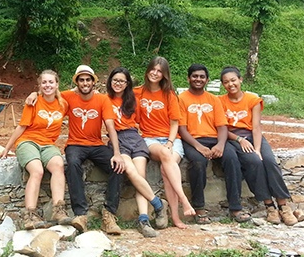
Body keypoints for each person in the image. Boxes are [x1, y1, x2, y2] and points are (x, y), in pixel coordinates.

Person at [26, 64, 125, 234]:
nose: (85, 83)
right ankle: (80, 215)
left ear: (93, 82)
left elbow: (110, 126)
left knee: (117, 167)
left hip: (96, 144)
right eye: (81, 80)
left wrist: (117, 153)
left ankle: (109, 215)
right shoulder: (67, 97)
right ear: (77, 82)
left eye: (88, 80)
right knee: (72, 163)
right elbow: (48, 93)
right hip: (75, 144)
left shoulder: (103, 100)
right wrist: (34, 93)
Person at [219, 66, 298, 226]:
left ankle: (283, 205)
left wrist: (257, 148)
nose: (230, 84)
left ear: (240, 80)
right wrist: (240, 139)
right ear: (223, 85)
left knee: (269, 161)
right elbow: (222, 128)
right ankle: (269, 206)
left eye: (233, 80)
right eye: (226, 82)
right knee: (254, 163)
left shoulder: (252, 100)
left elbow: (256, 127)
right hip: (233, 137)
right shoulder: (220, 101)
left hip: (253, 136)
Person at [178, 63, 252, 224]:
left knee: (232, 158)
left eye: (202, 77)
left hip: (214, 139)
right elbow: (182, 129)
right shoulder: (181, 99)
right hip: (192, 140)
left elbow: (222, 126)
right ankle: (199, 208)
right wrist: (198, 147)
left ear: (207, 80)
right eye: (195, 76)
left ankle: (235, 207)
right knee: (198, 162)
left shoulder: (213, 99)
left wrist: (219, 145)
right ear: (188, 78)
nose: (198, 79)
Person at [0, 70, 72, 230]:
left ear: (57, 84)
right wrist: (7, 147)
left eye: (51, 82)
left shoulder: (63, 104)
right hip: (28, 142)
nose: (48, 85)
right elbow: (22, 126)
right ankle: (30, 215)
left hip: (48, 144)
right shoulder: (33, 102)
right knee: (37, 170)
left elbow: (77, 93)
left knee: (58, 165)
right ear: (39, 86)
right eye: (44, 82)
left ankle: (58, 210)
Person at [133, 57, 196, 229]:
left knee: (166, 169)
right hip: (149, 138)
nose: (155, 73)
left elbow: (175, 122)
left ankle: (175, 217)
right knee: (164, 155)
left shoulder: (169, 95)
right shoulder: (137, 92)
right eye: (153, 69)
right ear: (147, 70)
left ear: (164, 74)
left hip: (172, 138)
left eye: (159, 71)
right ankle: (184, 200)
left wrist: (169, 141)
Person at [107, 66, 169, 237]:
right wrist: (34, 94)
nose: (118, 84)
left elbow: (153, 99)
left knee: (140, 177)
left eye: (122, 81)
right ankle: (158, 205)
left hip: (135, 138)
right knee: (131, 172)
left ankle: (143, 219)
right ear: (110, 81)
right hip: (118, 140)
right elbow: (75, 93)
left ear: (127, 84)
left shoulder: (133, 99)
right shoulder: (104, 99)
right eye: (115, 80)